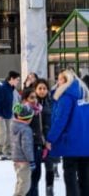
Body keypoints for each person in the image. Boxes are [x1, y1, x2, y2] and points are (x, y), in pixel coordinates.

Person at [46, 68, 89, 196]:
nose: (57, 83)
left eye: (59, 80)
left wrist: (50, 139)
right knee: (85, 177)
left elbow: (60, 120)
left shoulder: (66, 97)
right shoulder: (85, 95)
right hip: (86, 144)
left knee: (70, 176)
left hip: (70, 144)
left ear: (66, 81)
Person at [29, 79, 56, 196]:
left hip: (49, 139)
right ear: (35, 89)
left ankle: (49, 189)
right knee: (36, 170)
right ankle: (35, 191)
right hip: (36, 141)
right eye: (40, 88)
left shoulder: (52, 102)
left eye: (44, 88)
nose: (42, 91)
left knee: (50, 167)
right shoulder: (31, 103)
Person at [0, 71, 21, 161]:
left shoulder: (11, 88)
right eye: (17, 80)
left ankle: (7, 151)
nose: (18, 82)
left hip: (8, 114)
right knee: (2, 132)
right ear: (12, 79)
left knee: (9, 132)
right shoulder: (2, 88)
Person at [12, 101, 36, 196]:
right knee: (25, 184)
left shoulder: (13, 126)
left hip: (16, 159)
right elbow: (26, 146)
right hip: (24, 160)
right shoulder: (26, 130)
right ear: (28, 118)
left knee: (20, 181)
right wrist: (31, 160)